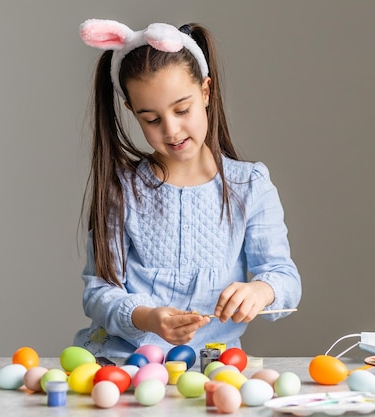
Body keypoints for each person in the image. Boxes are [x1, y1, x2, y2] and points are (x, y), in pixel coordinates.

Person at [73, 19, 302, 359]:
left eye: (182, 109)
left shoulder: (250, 186)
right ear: (133, 113)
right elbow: (99, 290)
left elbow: (284, 277)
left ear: (206, 91)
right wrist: (146, 317)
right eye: (151, 119)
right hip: (124, 363)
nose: (172, 130)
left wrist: (261, 290)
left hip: (213, 364)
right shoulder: (122, 191)